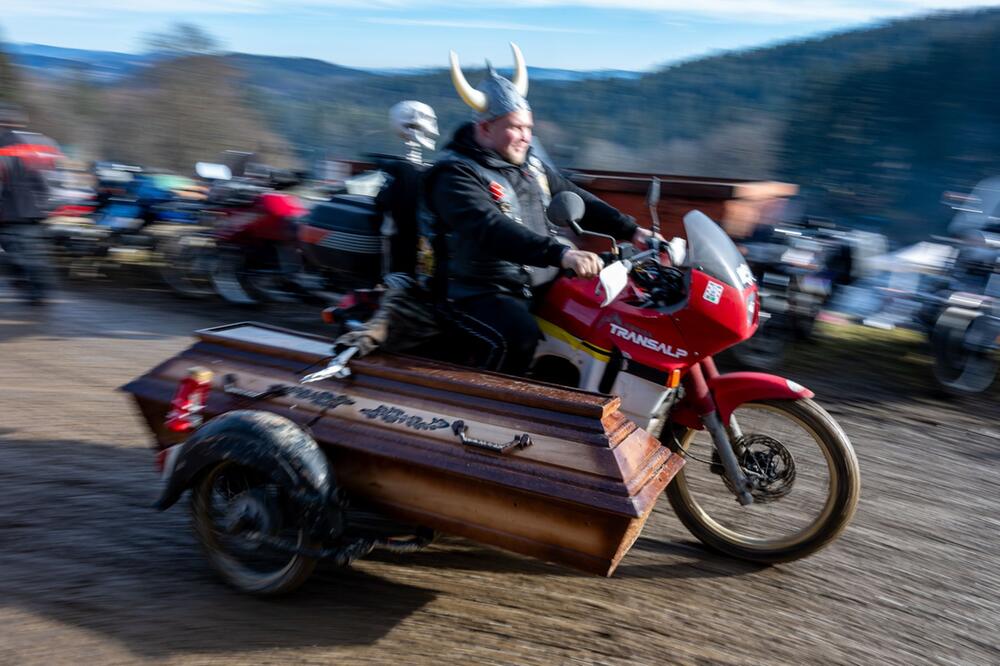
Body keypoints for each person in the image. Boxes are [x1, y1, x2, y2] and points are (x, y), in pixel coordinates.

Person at [422, 44, 654, 375]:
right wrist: (561, 254)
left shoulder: (528, 166)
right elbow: (489, 227)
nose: (525, 137)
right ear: (484, 128)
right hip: (475, 290)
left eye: (529, 128)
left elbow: (574, 195)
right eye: (515, 127)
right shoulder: (455, 174)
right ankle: (487, 415)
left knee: (604, 314)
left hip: (533, 281)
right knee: (518, 337)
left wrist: (632, 230)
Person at [0, 104, 58, 305]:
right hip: (37, 209)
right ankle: (38, 289)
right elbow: (49, 179)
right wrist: (48, 204)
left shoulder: (4, 145)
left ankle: (32, 288)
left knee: (17, 252)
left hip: (11, 210)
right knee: (32, 251)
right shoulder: (39, 143)